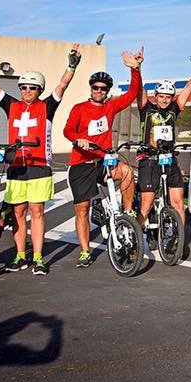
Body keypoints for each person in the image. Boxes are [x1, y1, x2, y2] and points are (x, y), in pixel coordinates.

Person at [0, 39, 80, 275]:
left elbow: (62, 85)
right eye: (23, 87)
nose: (26, 91)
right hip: (16, 167)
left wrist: (71, 67)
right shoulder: (11, 105)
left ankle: (38, 258)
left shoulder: (47, 106)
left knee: (37, 211)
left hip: (39, 166)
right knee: (18, 212)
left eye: (32, 88)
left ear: (39, 90)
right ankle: (20, 257)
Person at [63, 49, 143, 268]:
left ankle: (128, 213)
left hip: (103, 163)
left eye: (104, 88)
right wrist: (79, 139)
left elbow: (132, 94)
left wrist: (134, 69)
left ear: (107, 91)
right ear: (91, 89)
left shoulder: (110, 106)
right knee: (82, 209)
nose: (99, 91)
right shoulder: (80, 108)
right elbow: (67, 130)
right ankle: (85, 252)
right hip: (81, 165)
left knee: (127, 172)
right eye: (96, 87)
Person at [136, 50, 191, 240]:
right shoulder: (146, 109)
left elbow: (190, 88)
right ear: (156, 96)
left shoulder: (174, 109)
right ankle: (135, 239)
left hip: (169, 159)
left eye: (168, 96)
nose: (165, 100)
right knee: (147, 203)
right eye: (161, 96)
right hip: (149, 159)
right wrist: (138, 67)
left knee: (178, 204)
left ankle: (179, 241)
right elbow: (138, 88)